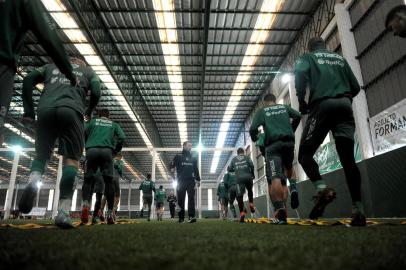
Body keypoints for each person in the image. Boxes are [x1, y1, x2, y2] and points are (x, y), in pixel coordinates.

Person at [18, 57, 100, 228]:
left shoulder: (49, 66)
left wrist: (29, 109)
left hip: (45, 110)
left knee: (41, 156)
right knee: (71, 160)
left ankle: (34, 180)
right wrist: (89, 110)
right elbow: (97, 91)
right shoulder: (88, 71)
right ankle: (62, 212)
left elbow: (28, 79)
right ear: (82, 63)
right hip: (72, 111)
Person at [294, 37, 366, 226]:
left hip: (322, 106)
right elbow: (356, 87)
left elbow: (300, 73)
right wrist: (343, 99)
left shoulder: (308, 57)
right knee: (348, 160)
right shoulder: (339, 58)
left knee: (304, 155)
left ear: (310, 48)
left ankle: (322, 188)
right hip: (344, 106)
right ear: (325, 45)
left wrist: (301, 100)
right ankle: (358, 210)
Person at [0, 0, 77, 146]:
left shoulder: (46, 69)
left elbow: (28, 80)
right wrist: (69, 72)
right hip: (3, 65)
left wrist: (29, 112)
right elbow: (49, 35)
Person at [249, 94, 301, 224]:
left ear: (264, 102)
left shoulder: (263, 111)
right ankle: (294, 188)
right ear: (275, 100)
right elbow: (298, 116)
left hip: (273, 147)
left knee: (275, 177)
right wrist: (292, 129)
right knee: (289, 167)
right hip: (289, 143)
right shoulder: (284, 107)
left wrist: (255, 137)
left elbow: (252, 128)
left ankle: (280, 209)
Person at [81, 108, 125, 225]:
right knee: (109, 183)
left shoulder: (93, 122)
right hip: (107, 152)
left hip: (92, 150)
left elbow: (84, 131)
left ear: (99, 115)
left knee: (87, 180)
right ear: (108, 116)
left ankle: (85, 205)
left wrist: (88, 145)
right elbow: (122, 137)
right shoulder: (113, 124)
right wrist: (116, 150)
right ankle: (110, 214)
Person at [170, 141, 201, 223]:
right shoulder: (178, 156)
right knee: (181, 199)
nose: (190, 147)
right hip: (181, 181)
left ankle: (191, 216)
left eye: (191, 146)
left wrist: (198, 179)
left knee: (191, 198)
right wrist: (172, 168)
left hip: (191, 181)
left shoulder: (193, 158)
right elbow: (172, 163)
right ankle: (181, 218)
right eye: (188, 145)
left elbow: (196, 169)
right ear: (184, 146)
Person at [229, 148, 255, 223]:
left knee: (240, 196)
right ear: (243, 152)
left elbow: (230, 169)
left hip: (239, 179)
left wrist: (236, 169)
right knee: (250, 191)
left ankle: (242, 213)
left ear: (237, 153)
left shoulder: (233, 159)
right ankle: (251, 203)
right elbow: (252, 166)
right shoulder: (247, 157)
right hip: (248, 177)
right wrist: (252, 173)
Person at [112, 153, 124, 219]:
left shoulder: (111, 160)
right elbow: (120, 169)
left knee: (108, 196)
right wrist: (121, 175)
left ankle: (103, 211)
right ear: (120, 157)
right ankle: (114, 211)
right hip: (115, 179)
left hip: (109, 178)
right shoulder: (120, 161)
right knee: (117, 196)